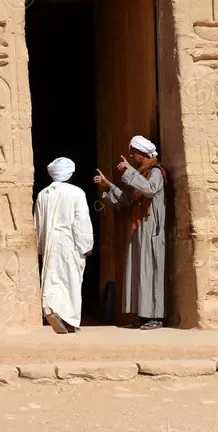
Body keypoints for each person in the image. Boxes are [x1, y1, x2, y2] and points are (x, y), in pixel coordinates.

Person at [94, 135, 167, 330]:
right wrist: (108, 185)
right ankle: (144, 315)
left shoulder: (155, 171)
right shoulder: (142, 173)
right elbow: (128, 200)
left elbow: (151, 190)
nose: (131, 155)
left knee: (151, 271)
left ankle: (156, 317)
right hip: (139, 227)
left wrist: (130, 171)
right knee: (139, 271)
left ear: (142, 153)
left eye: (133, 152)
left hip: (152, 228)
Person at [35, 156, 94, 334]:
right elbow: (80, 220)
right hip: (70, 241)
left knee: (53, 279)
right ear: (69, 174)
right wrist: (86, 244)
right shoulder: (76, 192)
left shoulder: (43, 194)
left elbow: (38, 223)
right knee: (71, 280)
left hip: (50, 243)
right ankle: (70, 320)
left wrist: (39, 246)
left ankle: (53, 310)